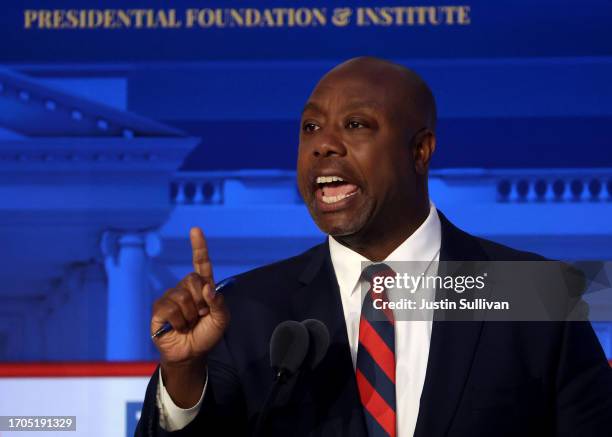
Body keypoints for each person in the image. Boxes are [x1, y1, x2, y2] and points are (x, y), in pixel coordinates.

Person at [136, 57, 612, 436]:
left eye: (356, 125)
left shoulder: (537, 294)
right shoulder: (244, 310)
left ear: (420, 150)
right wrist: (182, 376)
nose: (323, 145)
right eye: (309, 128)